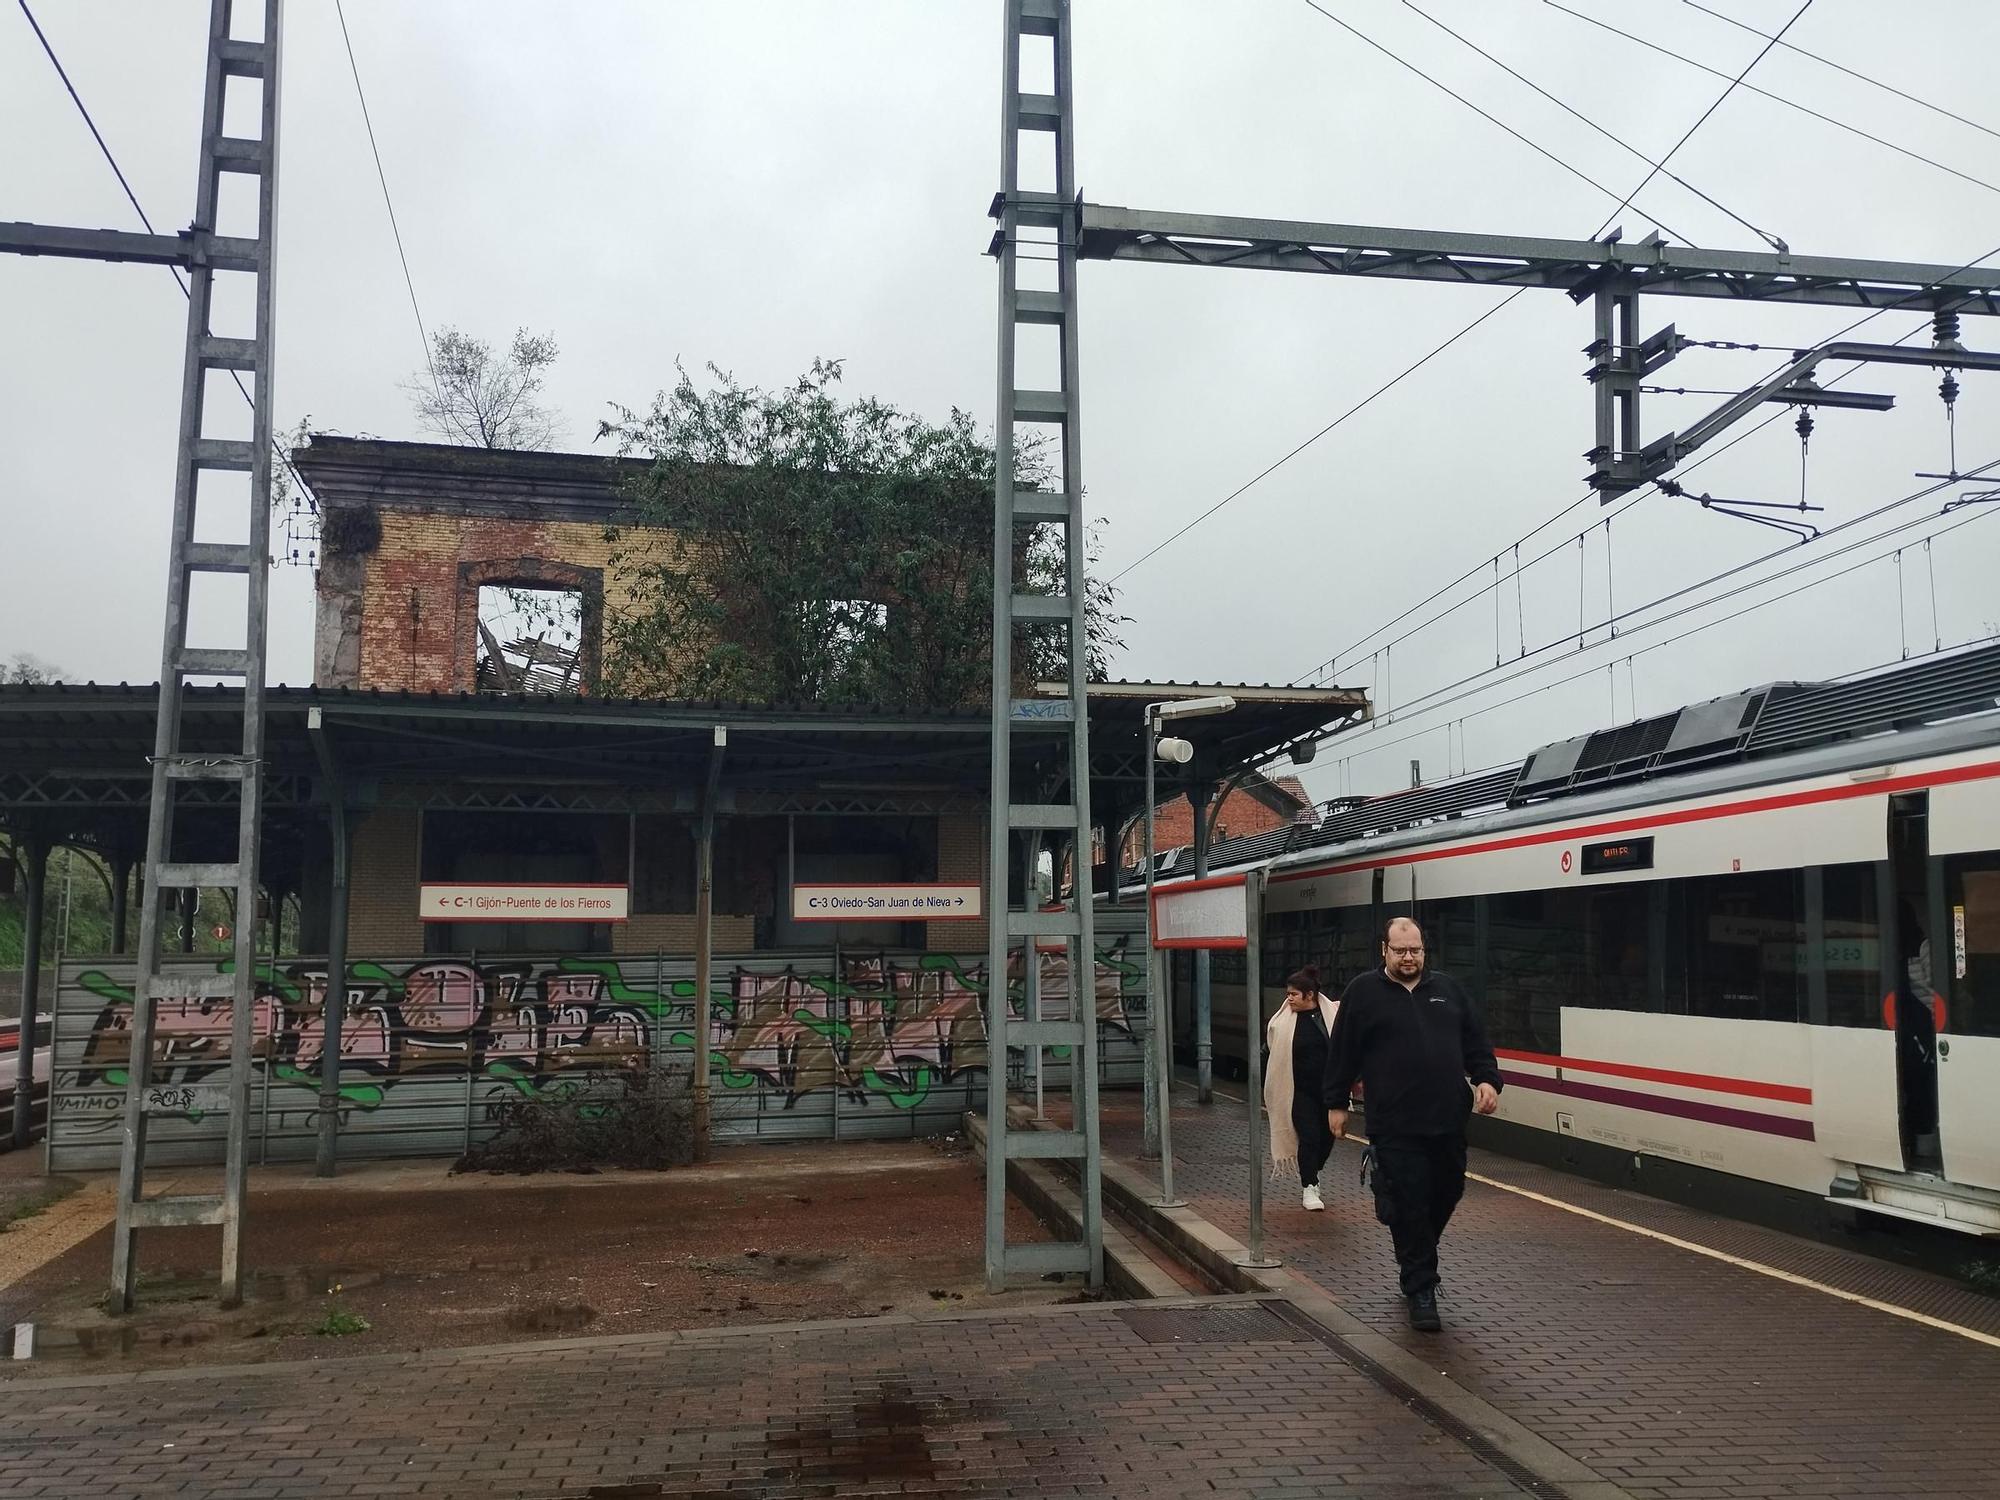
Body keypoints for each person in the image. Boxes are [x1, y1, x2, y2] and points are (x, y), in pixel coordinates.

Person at [1324, 916, 1501, 1332]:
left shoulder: (1449, 991)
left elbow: (1477, 1043)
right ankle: (1421, 1286)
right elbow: (1342, 1053)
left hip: (1446, 1120)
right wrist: (1336, 1103)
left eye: (1416, 950)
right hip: (1393, 1122)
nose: (1409, 957)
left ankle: (1413, 1245)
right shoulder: (1363, 993)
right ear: (1383, 949)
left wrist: (1487, 1080)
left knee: (1446, 1192)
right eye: (1401, 950)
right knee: (1411, 1199)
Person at [1263, 965, 1341, 1211]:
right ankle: (1309, 1186)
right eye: (1288, 994)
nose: (1289, 999)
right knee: (1308, 1137)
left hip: (1328, 1091)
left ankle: (1313, 1170)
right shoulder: (1282, 1022)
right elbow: (1271, 1051)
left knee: (1327, 1139)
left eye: (1294, 994)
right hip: (1297, 1091)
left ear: (1310, 995)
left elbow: (1346, 1049)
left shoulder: (1333, 1017)